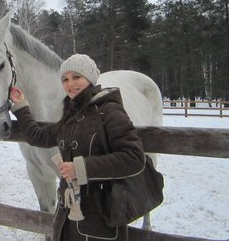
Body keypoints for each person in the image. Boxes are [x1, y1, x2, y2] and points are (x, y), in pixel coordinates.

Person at [10, 54, 145, 241]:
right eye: (65, 79)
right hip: (68, 217)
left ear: (89, 78)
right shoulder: (70, 116)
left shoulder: (109, 111)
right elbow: (39, 136)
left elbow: (134, 158)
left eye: (76, 77)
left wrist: (80, 168)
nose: (70, 84)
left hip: (102, 218)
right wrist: (22, 106)